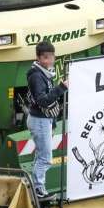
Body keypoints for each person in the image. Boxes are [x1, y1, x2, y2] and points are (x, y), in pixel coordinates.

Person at [26, 41, 68, 199]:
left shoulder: (43, 72)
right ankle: (38, 189)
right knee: (45, 158)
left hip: (42, 120)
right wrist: (61, 88)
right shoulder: (37, 75)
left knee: (40, 155)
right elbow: (42, 100)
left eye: (51, 57)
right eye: (45, 57)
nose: (49, 60)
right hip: (40, 120)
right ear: (38, 57)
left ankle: (35, 186)